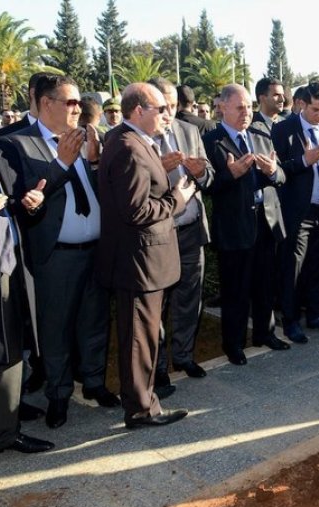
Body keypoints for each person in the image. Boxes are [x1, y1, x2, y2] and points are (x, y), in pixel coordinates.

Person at [6, 75, 117, 429]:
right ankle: (58, 394)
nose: (77, 109)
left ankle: (95, 382)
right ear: (45, 102)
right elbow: (27, 202)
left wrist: (95, 163)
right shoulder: (17, 145)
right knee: (55, 329)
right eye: (69, 102)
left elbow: (96, 191)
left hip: (94, 249)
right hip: (57, 255)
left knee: (95, 320)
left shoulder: (85, 139)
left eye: (79, 103)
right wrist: (64, 163)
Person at [97, 82, 195, 429]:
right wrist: (177, 199)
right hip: (138, 263)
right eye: (160, 109)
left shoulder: (134, 142)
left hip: (144, 261)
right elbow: (136, 211)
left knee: (145, 336)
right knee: (139, 339)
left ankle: (145, 401)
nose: (168, 114)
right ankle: (140, 409)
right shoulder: (127, 146)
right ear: (139, 110)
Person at [203, 84, 289, 365]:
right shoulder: (211, 141)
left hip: (265, 222)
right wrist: (230, 174)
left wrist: (273, 171)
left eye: (248, 107)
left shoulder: (261, 136)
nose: (246, 113)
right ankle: (234, 343)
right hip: (234, 225)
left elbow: (282, 177)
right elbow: (207, 186)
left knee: (265, 284)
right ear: (222, 107)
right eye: (239, 108)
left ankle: (265, 333)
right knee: (236, 290)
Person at [0, 132, 53, 454]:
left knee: (10, 355)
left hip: (6, 267)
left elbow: (17, 201)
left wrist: (32, 203)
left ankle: (3, 433)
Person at [148, 77, 214, 393]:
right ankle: (158, 367)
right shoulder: (139, 137)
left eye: (173, 106)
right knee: (157, 305)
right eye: (163, 107)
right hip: (159, 235)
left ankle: (184, 356)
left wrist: (200, 172)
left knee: (189, 297)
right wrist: (159, 168)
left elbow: (210, 176)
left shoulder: (188, 131)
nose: (169, 113)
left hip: (190, 230)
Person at [271, 81, 319, 344]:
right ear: (302, 104)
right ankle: (290, 321)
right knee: (292, 268)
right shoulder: (284, 130)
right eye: (316, 109)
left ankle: (316, 314)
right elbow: (278, 171)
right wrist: (305, 161)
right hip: (298, 211)